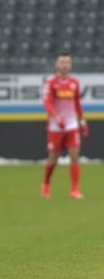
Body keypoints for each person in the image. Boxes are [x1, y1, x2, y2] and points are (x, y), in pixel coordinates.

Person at [41, 52, 89, 199]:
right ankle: (46, 184)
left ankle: (74, 189)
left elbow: (77, 103)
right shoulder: (50, 83)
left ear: (70, 64)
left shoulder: (74, 83)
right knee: (53, 159)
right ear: (57, 64)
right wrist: (56, 117)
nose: (65, 65)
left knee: (74, 156)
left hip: (71, 124)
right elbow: (47, 102)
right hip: (56, 126)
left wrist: (82, 120)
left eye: (67, 62)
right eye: (62, 62)